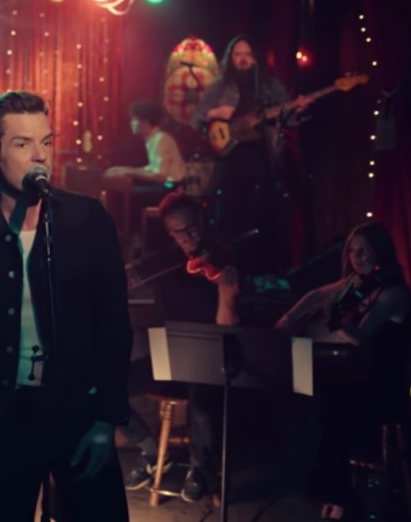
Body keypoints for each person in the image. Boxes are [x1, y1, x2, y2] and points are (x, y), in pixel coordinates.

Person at [0, 90, 133, 521]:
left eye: (45, 141)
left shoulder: (88, 221)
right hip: (7, 419)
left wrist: (107, 420)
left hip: (80, 416)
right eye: (22, 144)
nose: (40, 155)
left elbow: (115, 327)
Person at [274, 222, 411, 520]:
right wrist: (288, 319)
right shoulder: (356, 282)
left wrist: (333, 318)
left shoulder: (394, 293)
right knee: (304, 398)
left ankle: (340, 497)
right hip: (361, 378)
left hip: (385, 387)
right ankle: (331, 491)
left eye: (364, 250)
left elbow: (359, 336)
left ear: (380, 251)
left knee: (328, 413)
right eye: (352, 251)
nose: (357, 257)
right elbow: (316, 295)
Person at [119, 192, 236, 503]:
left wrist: (226, 294)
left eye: (191, 228)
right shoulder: (166, 261)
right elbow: (129, 273)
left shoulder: (223, 261)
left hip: (208, 359)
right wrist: (120, 278)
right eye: (178, 232)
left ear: (201, 221)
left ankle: (200, 470)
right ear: (170, 233)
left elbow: (227, 325)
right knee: (105, 385)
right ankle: (151, 451)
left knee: (201, 402)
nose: (188, 237)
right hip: (169, 358)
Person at [193, 34, 311, 276]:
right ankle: (232, 269)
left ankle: (265, 270)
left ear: (256, 58)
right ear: (230, 58)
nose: (243, 59)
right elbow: (197, 118)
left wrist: (296, 109)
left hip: (262, 157)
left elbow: (287, 119)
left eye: (247, 54)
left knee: (265, 212)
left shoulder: (269, 86)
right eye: (238, 55)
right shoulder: (220, 87)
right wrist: (217, 112)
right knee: (233, 214)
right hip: (231, 159)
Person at [103, 100, 187, 253]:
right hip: (165, 185)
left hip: (172, 189)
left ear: (145, 122)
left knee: (131, 196)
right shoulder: (153, 139)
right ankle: (132, 239)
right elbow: (152, 168)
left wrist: (128, 172)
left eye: (134, 119)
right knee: (124, 193)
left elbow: (160, 176)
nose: (131, 123)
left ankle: (137, 241)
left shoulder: (161, 139)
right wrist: (123, 169)